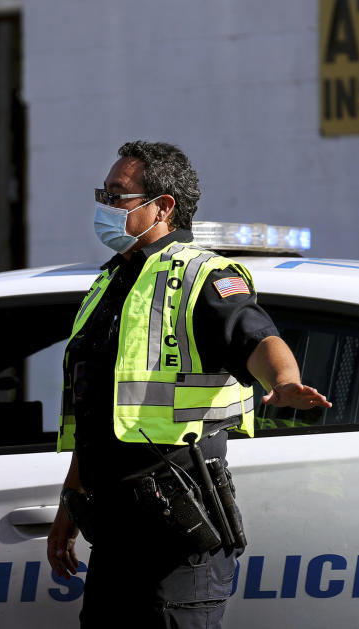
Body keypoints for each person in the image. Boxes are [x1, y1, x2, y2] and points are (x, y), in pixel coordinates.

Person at [45, 141, 332, 627]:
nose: (105, 206)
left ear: (163, 207)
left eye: (117, 195)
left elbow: (256, 337)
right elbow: (101, 414)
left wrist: (285, 382)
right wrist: (67, 512)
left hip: (176, 530)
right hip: (114, 533)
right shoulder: (111, 282)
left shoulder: (202, 275)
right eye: (104, 193)